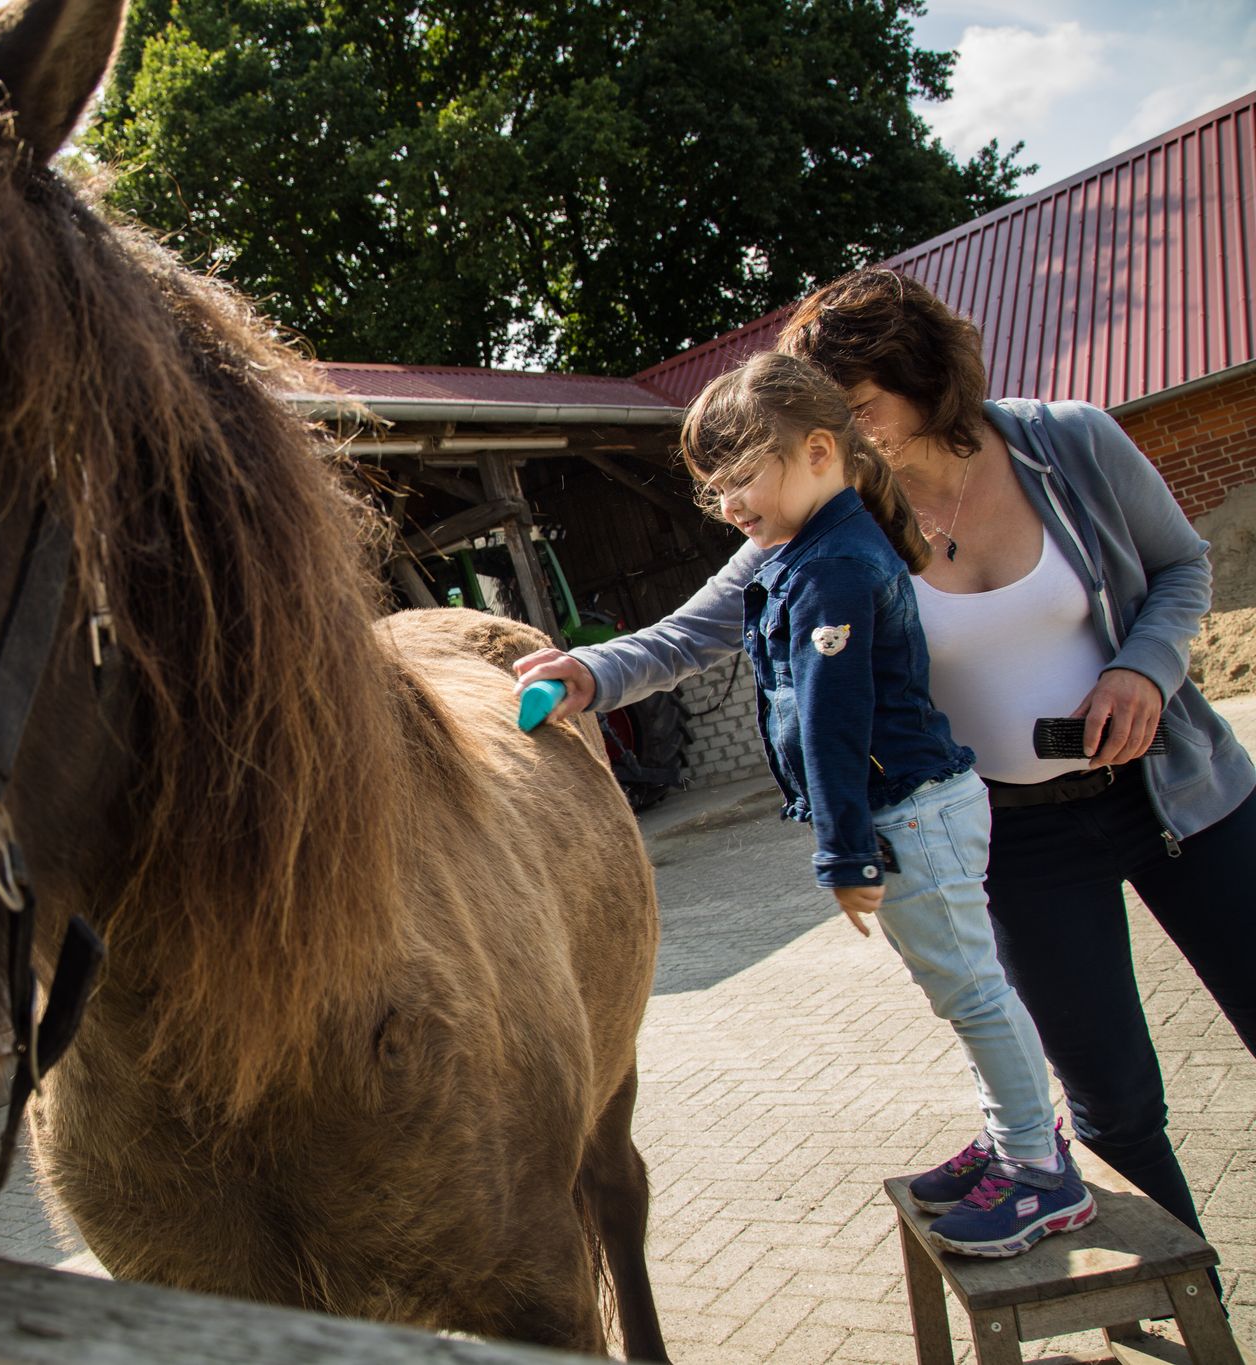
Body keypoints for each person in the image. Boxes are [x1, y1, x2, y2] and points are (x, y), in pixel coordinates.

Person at [515, 267, 1256, 1254]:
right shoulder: (831, 512)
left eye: (860, 407)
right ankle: (1188, 1309)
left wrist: (1143, 673)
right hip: (1019, 838)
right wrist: (585, 674)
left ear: (925, 378)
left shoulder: (1064, 441)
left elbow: (1179, 564)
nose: (846, 435)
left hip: (1179, 796)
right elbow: (688, 634)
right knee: (1112, 1106)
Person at [647, 350, 1093, 1256]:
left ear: (818, 451)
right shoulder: (810, 549)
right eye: (715, 494)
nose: (730, 509)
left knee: (972, 992)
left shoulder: (832, 569)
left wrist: (843, 855)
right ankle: (1017, 1137)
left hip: (908, 813)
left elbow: (834, 722)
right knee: (960, 988)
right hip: (910, 808)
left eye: (740, 481)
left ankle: (1042, 1176)